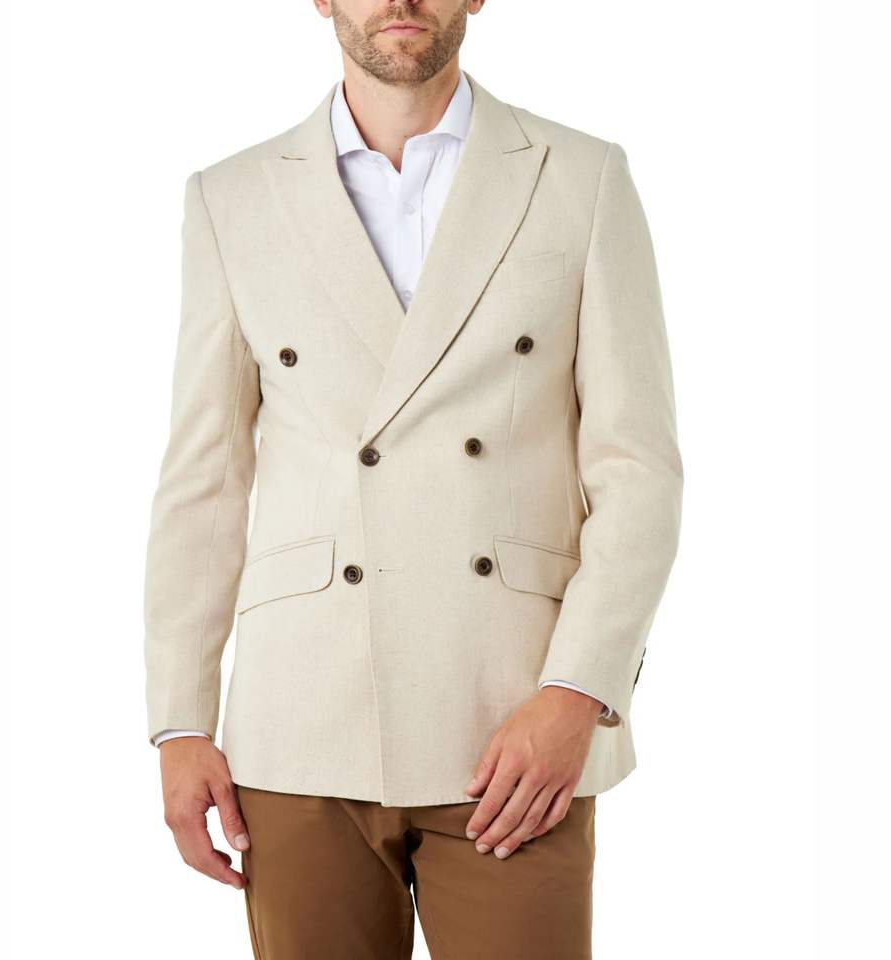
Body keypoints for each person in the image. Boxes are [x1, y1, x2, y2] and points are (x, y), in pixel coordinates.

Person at [143, 2, 683, 957]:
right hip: (301, 722)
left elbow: (638, 471)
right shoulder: (231, 198)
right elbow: (205, 483)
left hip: (514, 724)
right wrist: (179, 722)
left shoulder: (580, 176)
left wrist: (579, 691)